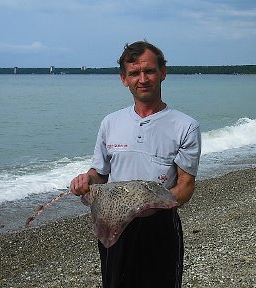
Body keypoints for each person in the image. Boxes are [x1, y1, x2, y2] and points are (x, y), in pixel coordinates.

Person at [70, 41, 201, 288]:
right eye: (134, 73)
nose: (143, 79)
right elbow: (99, 174)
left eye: (149, 70)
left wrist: (150, 204)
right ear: (124, 79)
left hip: (159, 225)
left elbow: (185, 186)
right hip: (112, 223)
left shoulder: (185, 126)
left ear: (163, 72)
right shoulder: (111, 122)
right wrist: (86, 181)